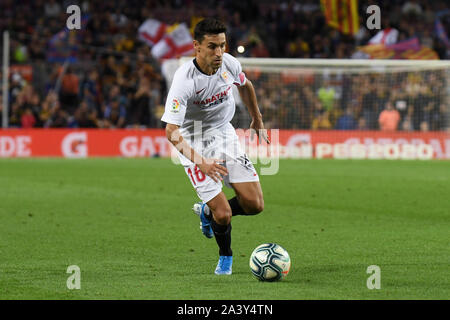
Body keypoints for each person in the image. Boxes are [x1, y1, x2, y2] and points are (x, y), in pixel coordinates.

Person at [161, 18, 269, 275]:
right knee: (224, 215)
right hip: (195, 141)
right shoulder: (184, 80)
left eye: (222, 45)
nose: (219, 52)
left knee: (255, 205)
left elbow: (246, 86)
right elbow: (171, 131)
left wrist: (257, 118)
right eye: (212, 46)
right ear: (197, 47)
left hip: (225, 134)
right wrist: (201, 161)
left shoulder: (229, 64)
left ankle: (207, 212)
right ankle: (226, 256)